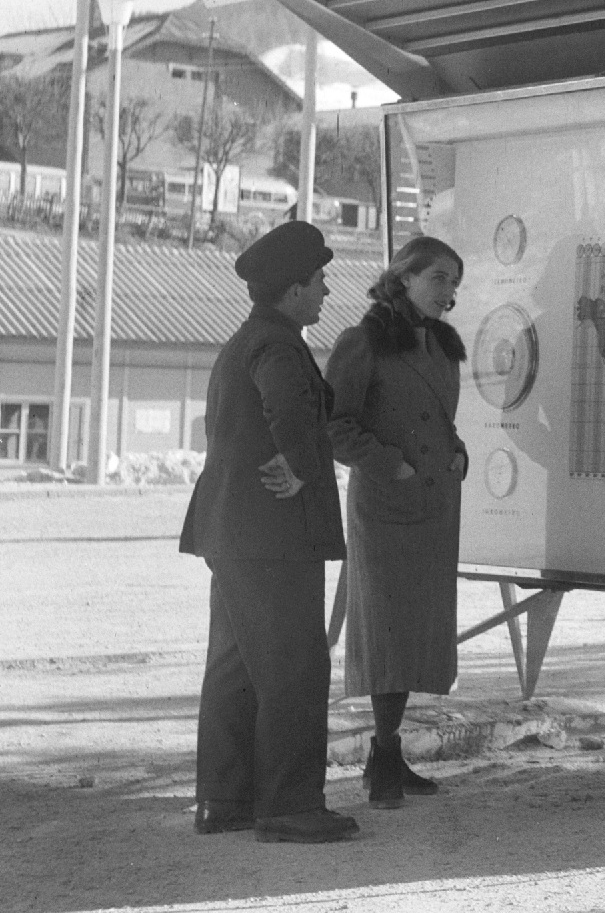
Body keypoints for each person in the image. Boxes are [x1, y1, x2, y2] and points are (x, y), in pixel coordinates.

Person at [180, 220, 358, 843]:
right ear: (291, 291)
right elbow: (287, 407)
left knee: (234, 667)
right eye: (319, 281)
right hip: (273, 537)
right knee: (293, 666)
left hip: (230, 530)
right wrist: (302, 466)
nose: (327, 291)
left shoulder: (246, 338)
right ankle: (288, 807)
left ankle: (224, 800)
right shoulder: (279, 345)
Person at [326, 236, 469, 809]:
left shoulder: (438, 344)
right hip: (386, 508)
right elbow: (334, 425)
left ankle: (388, 755)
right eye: (439, 279)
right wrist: (394, 466)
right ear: (404, 277)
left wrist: (458, 450)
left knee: (414, 633)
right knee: (385, 633)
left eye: (455, 283)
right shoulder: (361, 343)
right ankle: (383, 756)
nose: (449, 294)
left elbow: (438, 419)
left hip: (434, 507)